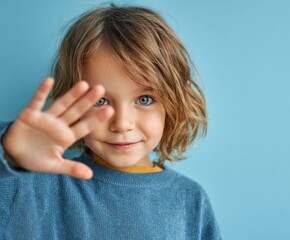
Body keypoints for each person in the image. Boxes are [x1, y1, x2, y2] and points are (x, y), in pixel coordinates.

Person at [0, 4, 222, 239]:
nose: (122, 123)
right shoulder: (26, 187)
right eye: (101, 101)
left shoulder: (191, 201)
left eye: (144, 99)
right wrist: (9, 153)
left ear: (173, 103)